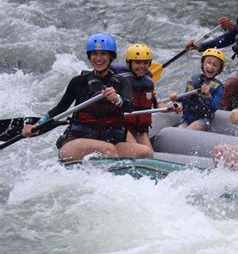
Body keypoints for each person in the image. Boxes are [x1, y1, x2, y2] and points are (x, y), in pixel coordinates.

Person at [22, 33, 154, 160]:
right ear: (89, 56)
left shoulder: (121, 82)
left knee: (146, 152)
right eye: (94, 54)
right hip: (80, 141)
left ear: (110, 57)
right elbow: (59, 109)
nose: (98, 58)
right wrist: (37, 125)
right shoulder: (78, 81)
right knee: (105, 150)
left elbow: (129, 106)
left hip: (112, 141)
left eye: (103, 54)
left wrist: (117, 99)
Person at [113, 43, 174, 151]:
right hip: (123, 125)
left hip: (140, 128)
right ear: (129, 62)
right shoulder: (120, 80)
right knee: (136, 151)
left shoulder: (148, 82)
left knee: (149, 154)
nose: (142, 66)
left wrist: (171, 108)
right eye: (137, 62)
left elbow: (157, 104)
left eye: (146, 63)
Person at [169, 48, 225, 131]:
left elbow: (214, 108)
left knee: (189, 130)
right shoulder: (193, 79)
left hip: (202, 119)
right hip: (187, 117)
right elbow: (186, 99)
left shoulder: (219, 86)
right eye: (208, 63)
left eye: (215, 65)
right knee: (179, 131)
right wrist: (176, 98)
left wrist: (208, 96)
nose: (210, 67)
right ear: (203, 64)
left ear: (219, 69)